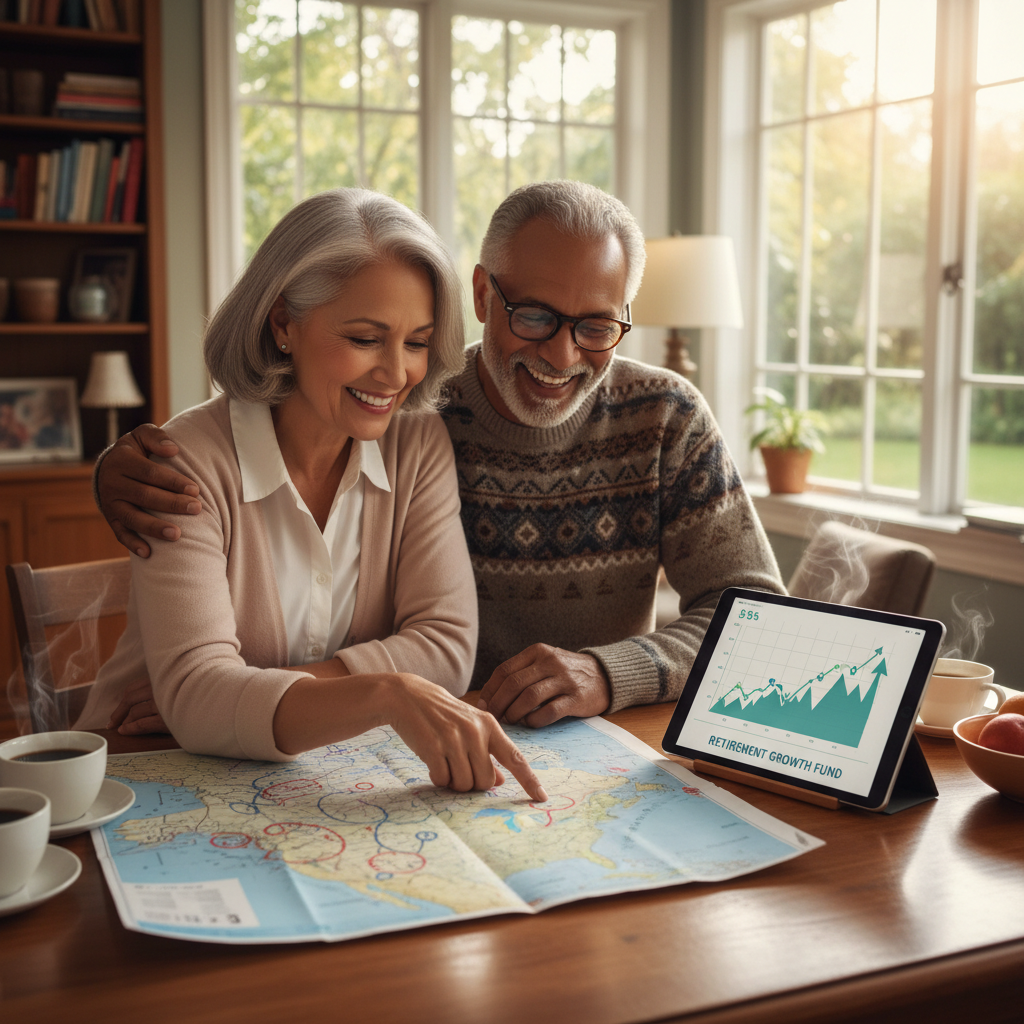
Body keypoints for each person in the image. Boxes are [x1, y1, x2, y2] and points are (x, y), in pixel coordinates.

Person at [95, 180, 784, 732]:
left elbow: (757, 622)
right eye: (535, 316)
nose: (562, 353)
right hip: (394, 740)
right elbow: (253, 432)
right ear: (483, 295)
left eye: (597, 326)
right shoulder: (415, 411)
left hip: (578, 744)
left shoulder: (663, 416)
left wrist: (610, 673)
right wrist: (112, 474)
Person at [76, 188, 546, 802]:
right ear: (283, 324)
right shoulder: (181, 462)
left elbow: (446, 646)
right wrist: (384, 692)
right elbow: (195, 700)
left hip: (307, 776)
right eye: (365, 339)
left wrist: (244, 697)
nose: (396, 374)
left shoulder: (418, 442)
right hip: (141, 773)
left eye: (416, 341)